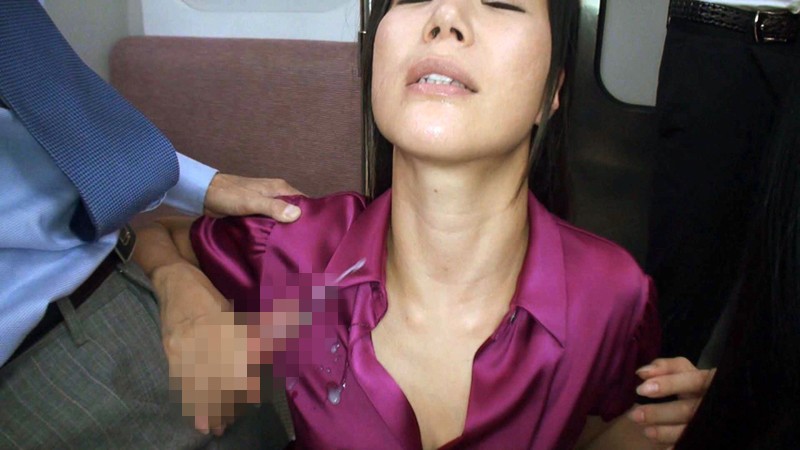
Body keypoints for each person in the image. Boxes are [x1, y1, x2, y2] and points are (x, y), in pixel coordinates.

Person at [134, 0, 671, 448]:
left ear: (552, 91)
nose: (445, 16)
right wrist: (179, 286)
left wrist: (661, 430)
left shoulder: (613, 296)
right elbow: (146, 236)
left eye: (501, 0)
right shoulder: (292, 244)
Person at [0, 1, 302, 448]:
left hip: (84, 313)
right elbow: (152, 234)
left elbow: (38, 95)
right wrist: (173, 270)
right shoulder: (313, 227)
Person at [646, 0, 800, 362]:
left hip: (791, 48)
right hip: (719, 37)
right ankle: (654, 391)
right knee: (689, 265)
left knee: (784, 270)